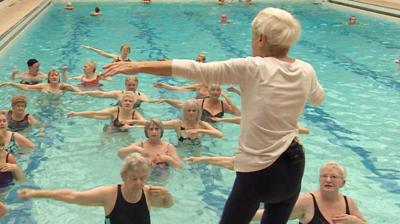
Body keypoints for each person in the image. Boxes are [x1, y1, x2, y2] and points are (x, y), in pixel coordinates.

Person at [101, 7, 324, 223]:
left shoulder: (253, 67)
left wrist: (139, 65)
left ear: (261, 39)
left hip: (258, 169)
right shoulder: (306, 69)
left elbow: (194, 69)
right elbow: (317, 98)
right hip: (293, 163)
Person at [186, 158, 367, 224]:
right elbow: (269, 214)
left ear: (342, 183)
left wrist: (354, 221)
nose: (328, 180)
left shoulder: (348, 203)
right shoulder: (307, 202)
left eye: (333, 177)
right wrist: (236, 215)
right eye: (324, 176)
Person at [19, 153, 174, 224]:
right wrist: (37, 193)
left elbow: (167, 205)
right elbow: (74, 196)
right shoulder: (110, 194)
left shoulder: (148, 192)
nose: (140, 183)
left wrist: (166, 194)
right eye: (134, 178)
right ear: (124, 177)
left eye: (143, 178)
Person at [131, 100, 223, 144]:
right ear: (184, 112)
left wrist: (201, 131)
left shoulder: (202, 124)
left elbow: (220, 135)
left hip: (198, 153)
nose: (191, 113)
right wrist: (133, 124)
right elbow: (156, 124)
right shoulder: (178, 124)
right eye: (188, 110)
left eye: (194, 110)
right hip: (181, 151)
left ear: (198, 112)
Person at [153, 84, 241, 122]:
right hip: (199, 127)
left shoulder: (223, 105)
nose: (215, 92)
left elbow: (238, 114)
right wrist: (166, 100)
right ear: (209, 92)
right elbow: (181, 105)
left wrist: (227, 97)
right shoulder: (200, 102)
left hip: (214, 131)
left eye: (218, 90)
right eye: (213, 90)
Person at [67, 91, 145, 132]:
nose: (127, 102)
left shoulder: (135, 114)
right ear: (121, 102)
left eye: (130, 101)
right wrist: (76, 113)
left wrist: (132, 127)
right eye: (125, 100)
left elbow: (147, 125)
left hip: (125, 134)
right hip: (111, 131)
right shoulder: (115, 110)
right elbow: (95, 114)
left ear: (134, 103)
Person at [79, 76, 150, 108]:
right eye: (129, 85)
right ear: (125, 84)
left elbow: (149, 101)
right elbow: (102, 94)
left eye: (133, 85)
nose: (131, 87)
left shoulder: (140, 95)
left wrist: (159, 100)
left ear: (137, 85)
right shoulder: (119, 93)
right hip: (117, 113)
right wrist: (86, 92)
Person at [1, 69, 81, 96]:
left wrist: (82, 93)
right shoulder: (43, 86)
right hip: (44, 106)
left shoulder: (63, 86)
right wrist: (11, 84)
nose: (54, 77)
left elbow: (78, 90)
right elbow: (26, 87)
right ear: (48, 78)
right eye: (52, 75)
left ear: (59, 77)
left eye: (56, 75)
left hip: (57, 105)